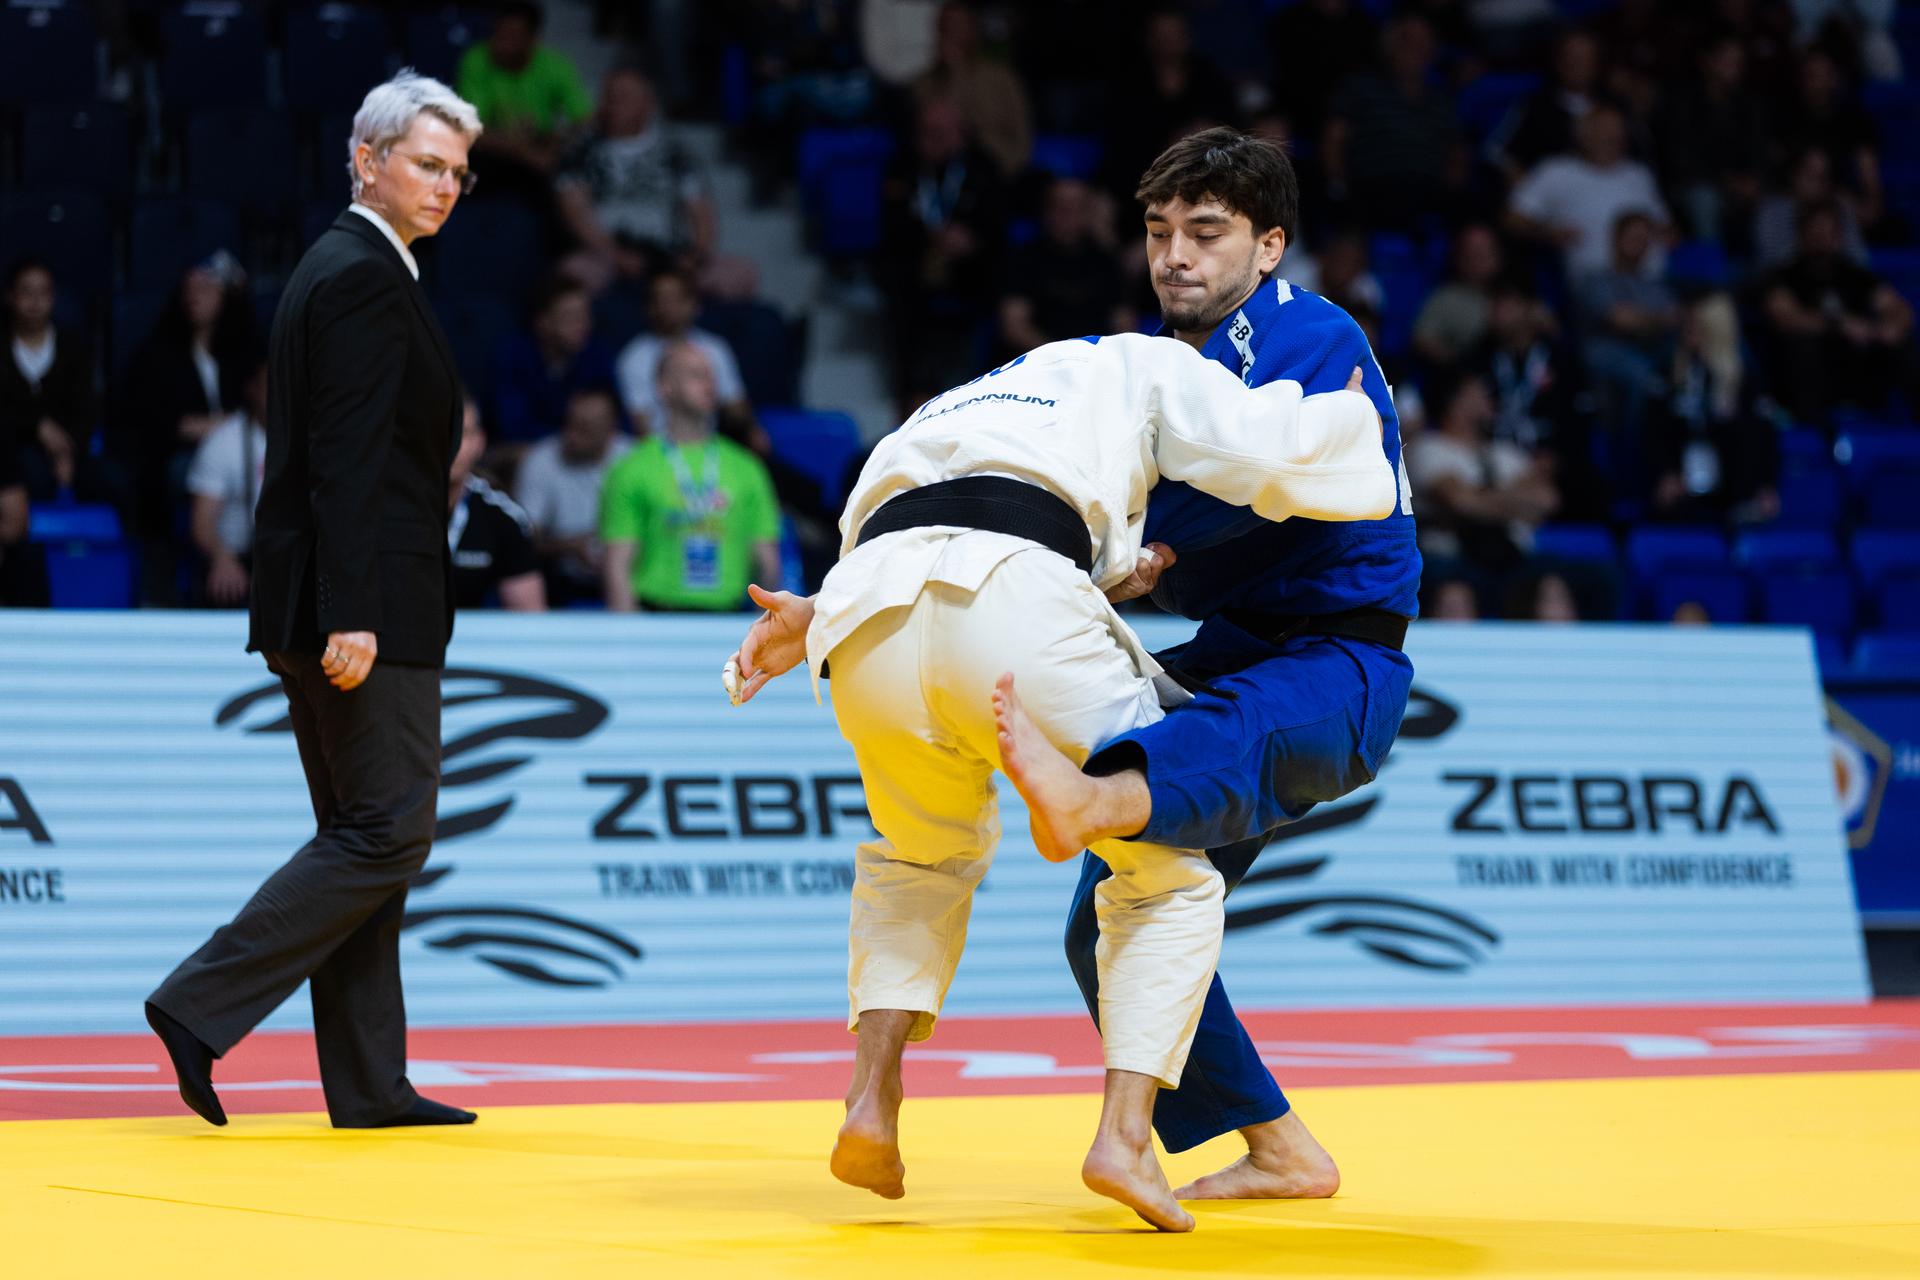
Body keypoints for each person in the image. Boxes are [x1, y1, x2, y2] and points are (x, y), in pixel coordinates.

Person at [724, 335, 1393, 1232]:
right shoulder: (1134, 361)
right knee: (1165, 873)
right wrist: (1346, 415)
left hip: (860, 612)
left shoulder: (951, 404)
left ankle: (871, 1101)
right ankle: (1124, 1139)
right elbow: (1266, 453)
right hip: (1012, 601)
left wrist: (816, 618)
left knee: (916, 860)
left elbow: (921, 536)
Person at [983, 128, 1423, 1204]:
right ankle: (1278, 1147)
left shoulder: (1312, 334)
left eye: (1207, 233)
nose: (1174, 255)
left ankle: (1097, 794)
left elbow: (1245, 485)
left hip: (1338, 657)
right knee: (1105, 918)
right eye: (1158, 231)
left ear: (1268, 247)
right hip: (1238, 643)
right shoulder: (1151, 365)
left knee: (1213, 737)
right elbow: (1082, 494)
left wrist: (1133, 548)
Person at [144, 72, 483, 1132]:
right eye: (427, 164)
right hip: (363, 605)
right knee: (387, 833)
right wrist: (352, 609)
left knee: (361, 834)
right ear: (366, 160)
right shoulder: (362, 277)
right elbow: (343, 461)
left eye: (459, 172)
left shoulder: (349, 266)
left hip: (342, 593)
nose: (446, 186)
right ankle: (197, 1002)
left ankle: (371, 1085)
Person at [113, 251, 258, 601]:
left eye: (206, 288)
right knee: (175, 474)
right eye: (189, 289)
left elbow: (262, 408)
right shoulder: (158, 353)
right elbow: (157, 421)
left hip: (245, 449)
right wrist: (217, 425)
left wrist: (212, 426)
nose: (195, 296)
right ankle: (163, 588)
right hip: (178, 455)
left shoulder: (245, 352)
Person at [601, 341, 780, 612]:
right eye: (696, 375)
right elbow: (617, 565)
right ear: (665, 386)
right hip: (656, 617)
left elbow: (767, 563)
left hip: (727, 616)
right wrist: (629, 632)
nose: (710, 384)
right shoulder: (632, 468)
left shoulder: (747, 467)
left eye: (711, 376)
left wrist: (763, 631)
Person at [557, 65, 715, 293]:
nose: (613, 104)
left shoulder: (677, 153)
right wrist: (614, 255)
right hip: (605, 254)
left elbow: (701, 213)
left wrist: (695, 256)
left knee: (738, 274)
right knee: (574, 273)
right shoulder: (580, 152)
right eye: (609, 96)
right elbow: (576, 213)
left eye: (623, 97)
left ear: (648, 104)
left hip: (669, 253)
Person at [1760, 198, 1919, 423]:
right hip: (1810, 372)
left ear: (1840, 236)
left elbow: (1900, 310)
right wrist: (1838, 325)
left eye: (1829, 232)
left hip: (1857, 367)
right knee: (1802, 344)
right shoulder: (1785, 277)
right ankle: (1808, 427)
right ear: (1801, 234)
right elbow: (1785, 318)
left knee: (1902, 342)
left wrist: (1885, 329)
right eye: (1815, 231)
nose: (1822, 239)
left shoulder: (1856, 276)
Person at [1322, 14, 1468, 232]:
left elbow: (1457, 153)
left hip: (1429, 194)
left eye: (1423, 43)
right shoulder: (1360, 88)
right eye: (1407, 41)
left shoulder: (1442, 99)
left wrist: (1452, 191)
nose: (1415, 51)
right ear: (1388, 44)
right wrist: (1338, 187)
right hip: (1370, 191)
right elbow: (1334, 139)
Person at [1407, 372, 1558, 575]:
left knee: (1570, 579)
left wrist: (1477, 500)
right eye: (1480, 392)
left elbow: (1546, 500)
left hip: (1515, 556)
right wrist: (1515, 502)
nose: (1490, 398)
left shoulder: (1504, 452)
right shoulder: (1428, 448)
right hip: (1454, 561)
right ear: (1456, 402)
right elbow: (1460, 502)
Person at [1506, 104, 1669, 280]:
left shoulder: (1639, 174)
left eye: (1619, 130)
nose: (1614, 136)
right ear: (1583, 134)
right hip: (1595, 278)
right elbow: (1513, 219)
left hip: (1653, 278)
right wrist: (1548, 233)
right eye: (1605, 130)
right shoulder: (1556, 172)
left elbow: (1665, 226)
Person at [515, 385, 630, 604]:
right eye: (570, 423)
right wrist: (571, 547)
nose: (572, 435)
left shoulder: (632, 460)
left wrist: (615, 549)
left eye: (586, 428)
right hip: (558, 585)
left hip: (628, 578)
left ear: (611, 430)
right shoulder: (541, 460)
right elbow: (523, 540)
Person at [2, 257, 103, 506]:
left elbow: (86, 407)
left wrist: (68, 450)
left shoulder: (73, 347)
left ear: (53, 297)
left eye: (43, 292)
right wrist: (37, 426)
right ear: (10, 296)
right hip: (11, 451)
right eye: (26, 291)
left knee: (114, 480)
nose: (35, 301)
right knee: (31, 474)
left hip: (70, 446)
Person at [995, 177, 1129, 362]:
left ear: (1088, 213)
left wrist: (1097, 362)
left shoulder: (1107, 262)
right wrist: (1064, 360)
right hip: (1036, 364)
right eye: (1060, 207)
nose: (1067, 216)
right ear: (1045, 210)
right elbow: (1014, 328)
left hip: (1095, 365)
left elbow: (1124, 326)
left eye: (1076, 208)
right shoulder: (1023, 258)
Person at [457, 0, 590, 184]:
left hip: (540, 147)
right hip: (493, 153)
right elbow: (473, 130)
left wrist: (558, 141)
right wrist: (526, 153)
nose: (502, 43)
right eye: (498, 34)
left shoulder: (555, 65)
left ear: (532, 38)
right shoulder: (476, 60)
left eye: (512, 36)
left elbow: (584, 119)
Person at [489, 275, 624, 447]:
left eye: (585, 314)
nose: (583, 324)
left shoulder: (596, 353)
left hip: (589, 448)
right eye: (571, 316)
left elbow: (620, 420)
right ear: (542, 322)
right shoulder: (511, 357)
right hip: (531, 449)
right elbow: (513, 429)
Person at [613, 270, 750, 434]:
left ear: (694, 304)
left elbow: (737, 409)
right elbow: (641, 426)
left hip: (709, 440)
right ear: (649, 307)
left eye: (678, 298)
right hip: (661, 444)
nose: (670, 306)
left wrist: (749, 428)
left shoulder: (715, 347)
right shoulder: (634, 357)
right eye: (662, 299)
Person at [184, 359, 268, 608]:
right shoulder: (224, 441)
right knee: (223, 583)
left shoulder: (310, 438)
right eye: (270, 385)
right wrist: (222, 558)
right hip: (237, 555)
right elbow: (202, 524)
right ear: (252, 389)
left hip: (290, 558)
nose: (280, 393)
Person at [915, 0, 1031, 180]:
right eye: (945, 27)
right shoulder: (925, 81)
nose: (951, 35)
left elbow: (1020, 140)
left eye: (958, 27)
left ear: (972, 30)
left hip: (996, 171)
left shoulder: (1001, 79)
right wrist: (953, 74)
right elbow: (930, 132)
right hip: (937, 175)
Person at [449, 399, 546, 611]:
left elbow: (530, 618)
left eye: (463, 433)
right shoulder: (384, 507)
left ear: (479, 443)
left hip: (473, 632)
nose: (451, 445)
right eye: (440, 431)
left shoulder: (504, 517)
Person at [1413, 223, 1506, 372]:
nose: (1480, 259)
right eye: (1473, 253)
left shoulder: (1515, 295)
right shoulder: (1445, 299)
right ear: (1458, 257)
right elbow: (1422, 340)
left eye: (1485, 251)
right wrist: (1461, 368)